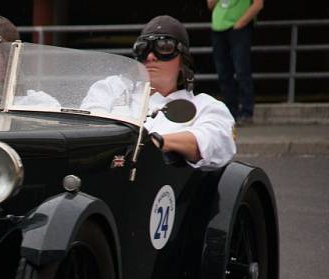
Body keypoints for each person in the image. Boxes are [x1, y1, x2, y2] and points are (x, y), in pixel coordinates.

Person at [84, 15, 235, 170]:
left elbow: (214, 143)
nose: (150, 57)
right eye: (143, 48)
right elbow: (87, 128)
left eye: (164, 48)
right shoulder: (111, 88)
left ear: (182, 61)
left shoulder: (205, 106)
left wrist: (156, 142)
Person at [208, 0, 263, 125]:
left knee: (242, 70)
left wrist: (240, 23)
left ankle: (246, 111)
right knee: (223, 73)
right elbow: (210, 5)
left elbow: (258, 4)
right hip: (218, 27)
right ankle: (230, 112)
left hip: (238, 28)